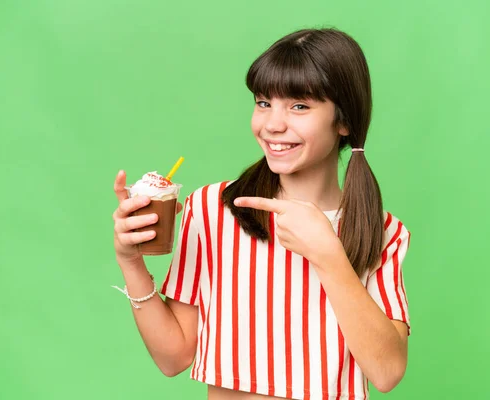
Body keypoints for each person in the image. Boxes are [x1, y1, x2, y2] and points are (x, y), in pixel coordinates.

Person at [112, 28, 412, 400]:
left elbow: (387, 372)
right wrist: (131, 263)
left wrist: (328, 255)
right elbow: (173, 357)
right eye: (263, 102)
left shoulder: (381, 232)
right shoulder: (212, 209)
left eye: (299, 106)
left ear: (344, 121)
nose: (272, 124)